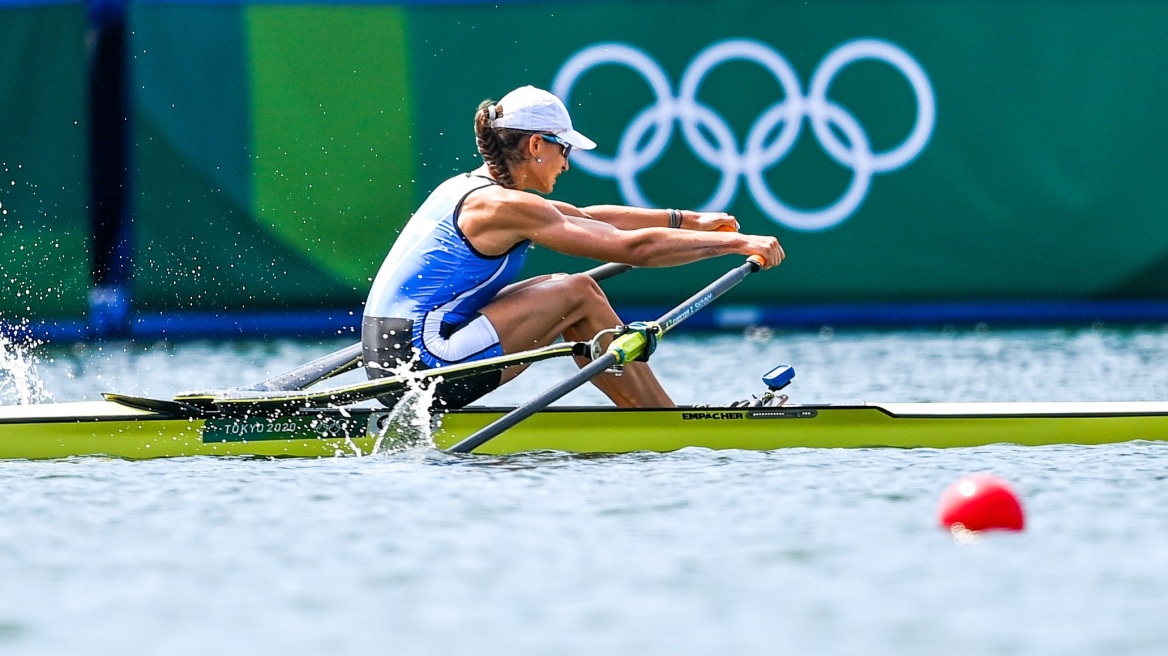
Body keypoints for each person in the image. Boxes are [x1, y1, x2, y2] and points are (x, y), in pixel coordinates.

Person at [362, 85, 784, 410]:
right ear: (535, 146)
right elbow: (631, 248)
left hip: (393, 358)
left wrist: (687, 219)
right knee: (576, 293)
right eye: (564, 150)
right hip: (419, 366)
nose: (567, 162)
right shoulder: (503, 206)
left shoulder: (470, 188)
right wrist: (736, 242)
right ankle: (664, 419)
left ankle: (654, 413)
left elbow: (584, 216)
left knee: (560, 284)